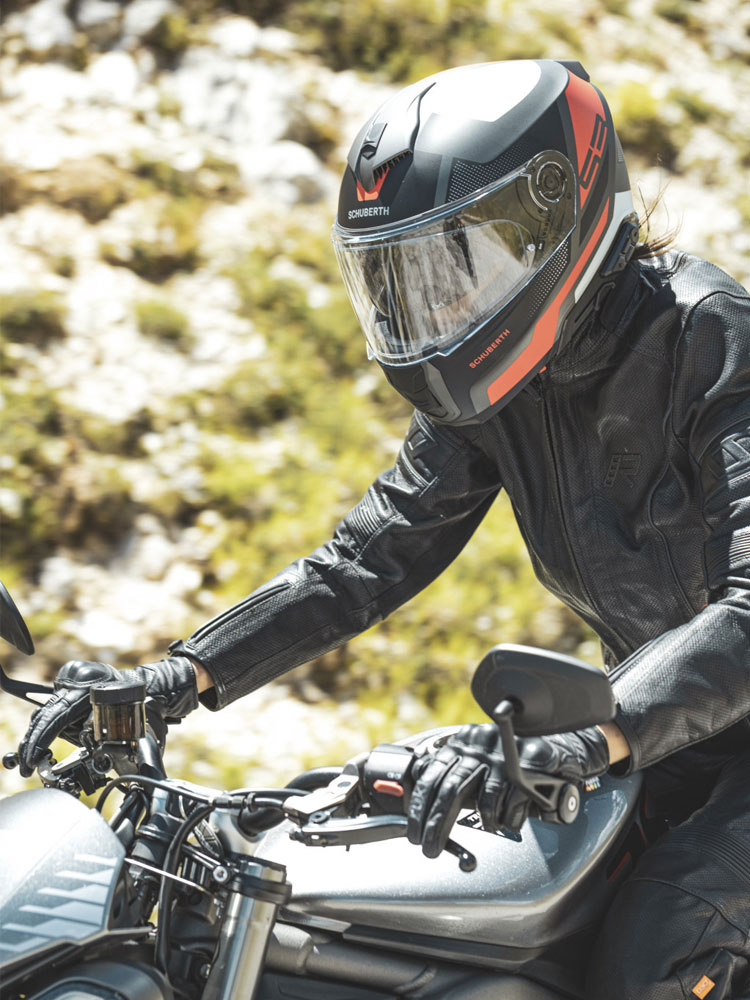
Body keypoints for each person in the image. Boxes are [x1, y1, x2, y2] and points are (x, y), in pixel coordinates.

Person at [17, 59, 750, 998]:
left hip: (669, 723)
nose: (435, 306)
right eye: (406, 276)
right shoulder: (506, 384)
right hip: (665, 728)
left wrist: (581, 737)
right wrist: (178, 677)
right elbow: (366, 559)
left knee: (663, 930)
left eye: (459, 264)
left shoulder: (708, 335)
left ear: (553, 217)